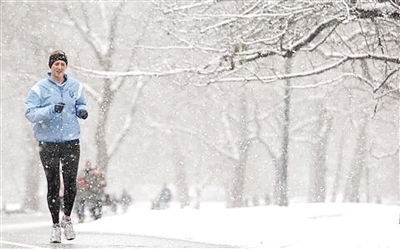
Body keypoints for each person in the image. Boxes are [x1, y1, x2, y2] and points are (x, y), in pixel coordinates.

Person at [24, 50, 88, 243]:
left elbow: (81, 103)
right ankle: (54, 227)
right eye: (56, 64)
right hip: (48, 142)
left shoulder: (75, 86)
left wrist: (82, 111)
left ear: (66, 66)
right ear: (50, 66)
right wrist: (50, 110)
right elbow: (30, 112)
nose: (59, 67)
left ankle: (67, 219)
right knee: (53, 185)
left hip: (71, 141)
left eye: (62, 64)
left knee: (70, 184)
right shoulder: (39, 89)